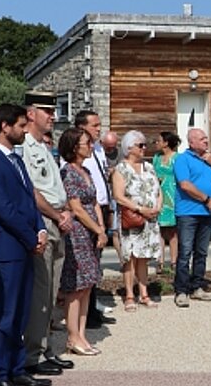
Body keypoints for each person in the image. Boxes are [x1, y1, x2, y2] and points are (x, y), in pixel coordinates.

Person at [0, 104, 47, 386]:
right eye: (19, 125)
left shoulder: (15, 159)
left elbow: (30, 198)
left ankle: (17, 367)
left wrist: (41, 227)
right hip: (9, 246)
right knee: (5, 314)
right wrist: (30, 235)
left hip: (26, 243)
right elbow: (2, 207)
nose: (23, 130)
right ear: (4, 126)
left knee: (20, 311)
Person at [21, 91, 71, 381]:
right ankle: (32, 354)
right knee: (41, 291)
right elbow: (32, 190)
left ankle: (45, 347)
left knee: (51, 291)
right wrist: (56, 215)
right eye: (46, 111)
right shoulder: (25, 147)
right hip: (45, 221)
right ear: (31, 114)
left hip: (58, 218)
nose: (52, 115)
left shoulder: (43, 146)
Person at [58, 128, 106, 355]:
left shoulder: (85, 170)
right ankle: (72, 336)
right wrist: (97, 229)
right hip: (78, 233)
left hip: (92, 232)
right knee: (76, 286)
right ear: (74, 146)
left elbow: (94, 201)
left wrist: (101, 229)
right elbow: (76, 207)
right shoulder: (68, 172)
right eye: (86, 142)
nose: (90, 145)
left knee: (88, 285)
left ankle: (82, 334)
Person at [174, 127, 211, 305]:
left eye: (206, 138)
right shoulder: (182, 160)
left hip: (206, 214)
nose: (206, 141)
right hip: (188, 213)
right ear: (192, 142)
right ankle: (181, 290)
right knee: (185, 252)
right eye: (202, 139)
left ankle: (197, 286)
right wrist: (206, 199)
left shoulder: (208, 160)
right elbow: (185, 185)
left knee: (201, 252)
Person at [112, 130, 162, 309]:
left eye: (144, 145)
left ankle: (144, 293)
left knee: (144, 257)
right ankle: (129, 295)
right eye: (140, 145)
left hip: (150, 220)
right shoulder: (121, 169)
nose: (144, 148)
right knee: (130, 257)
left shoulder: (148, 167)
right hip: (131, 219)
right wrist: (141, 209)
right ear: (129, 147)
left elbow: (158, 188)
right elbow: (118, 196)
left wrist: (157, 206)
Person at [77, 112, 117, 328]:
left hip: (102, 206)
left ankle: (92, 308)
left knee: (96, 261)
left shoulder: (98, 149)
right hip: (86, 209)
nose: (98, 129)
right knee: (87, 263)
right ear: (82, 127)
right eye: (95, 125)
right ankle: (87, 313)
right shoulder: (77, 149)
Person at [153, 132, 181, 274]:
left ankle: (174, 261)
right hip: (159, 194)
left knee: (172, 230)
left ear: (166, 143)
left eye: (158, 141)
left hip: (173, 194)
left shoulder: (177, 158)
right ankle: (160, 260)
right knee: (159, 229)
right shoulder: (156, 158)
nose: (156, 143)